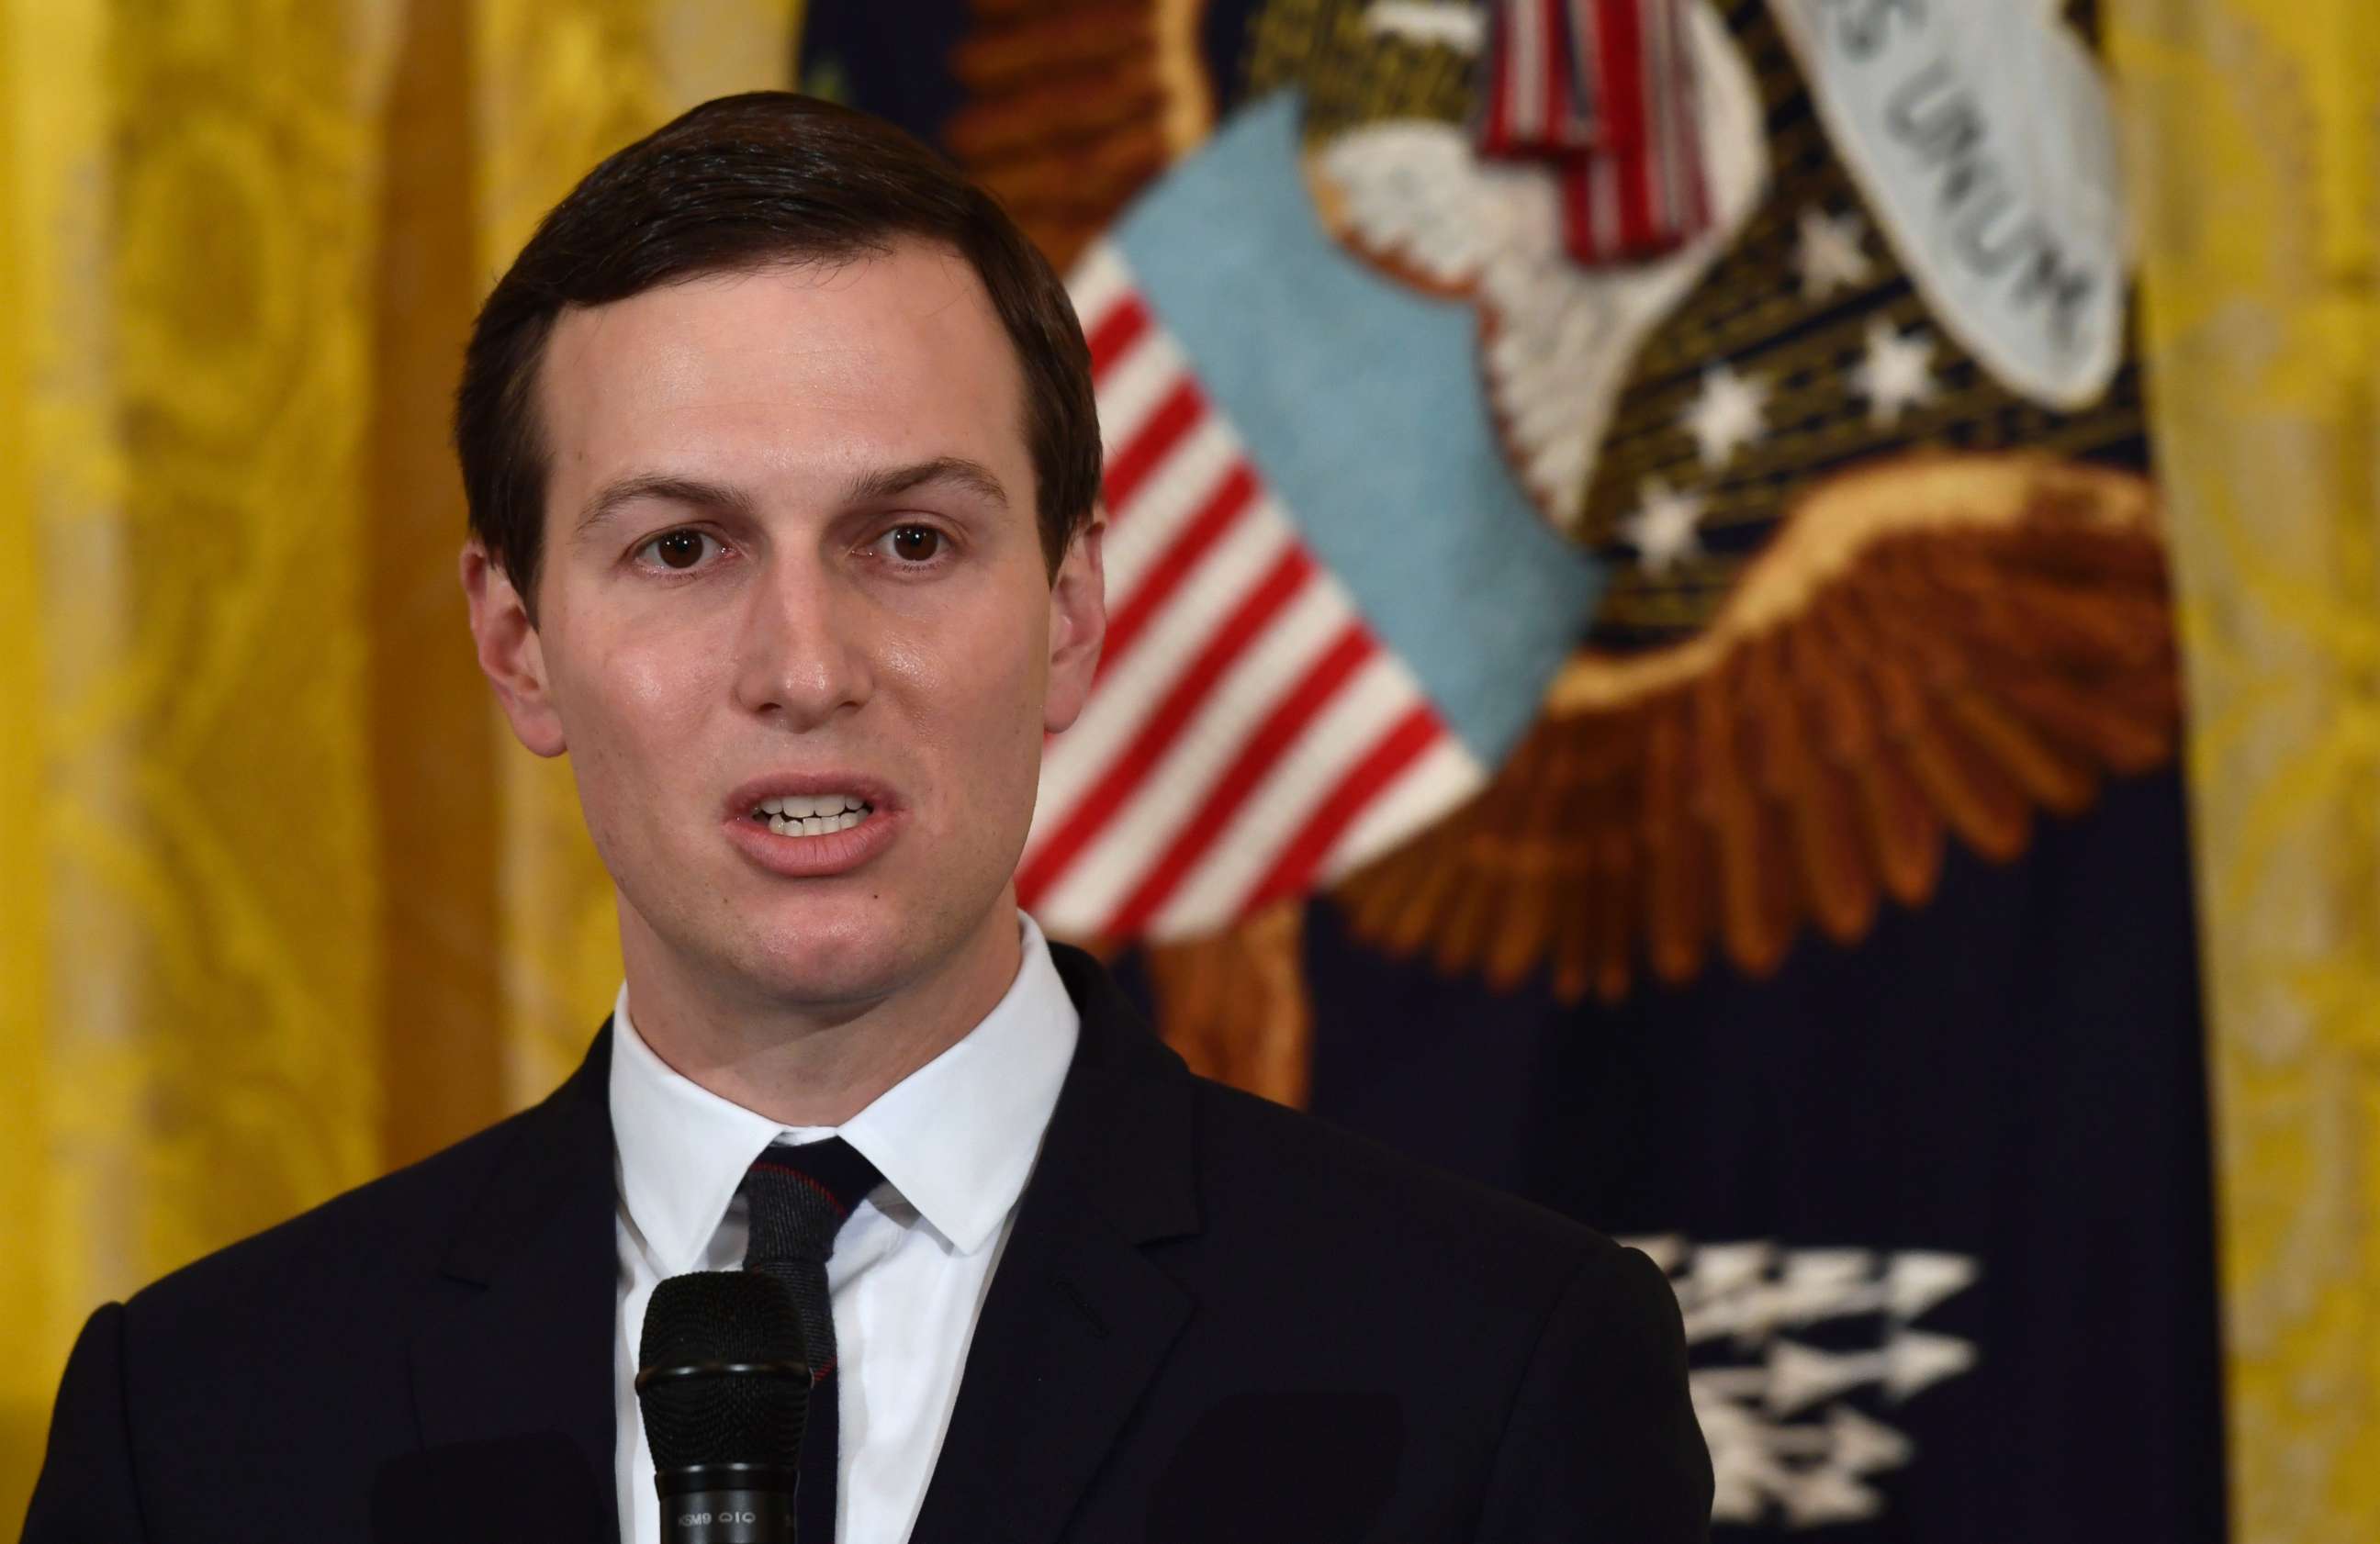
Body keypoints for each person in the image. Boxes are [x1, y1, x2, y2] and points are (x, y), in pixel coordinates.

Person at [22, 93, 1710, 1543]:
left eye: (908, 540)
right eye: (683, 548)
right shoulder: (199, 1427)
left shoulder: (1497, 1369)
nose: (807, 668)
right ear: (516, 641)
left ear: (1070, 609)